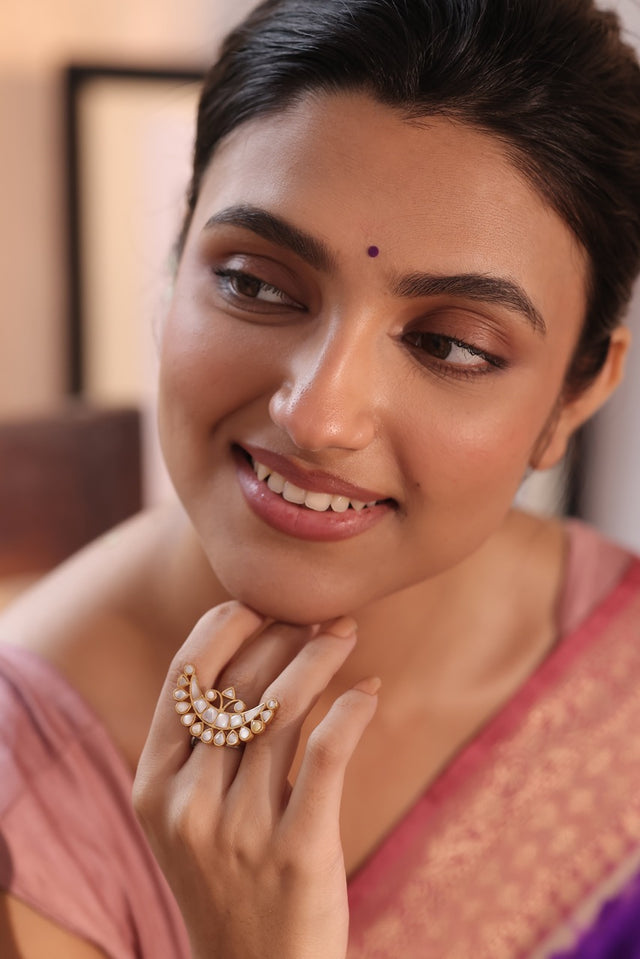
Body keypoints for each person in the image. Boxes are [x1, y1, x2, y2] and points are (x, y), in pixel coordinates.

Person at [2, 0, 640, 955]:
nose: (318, 413)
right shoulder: (25, 809)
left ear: (578, 394)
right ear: (179, 261)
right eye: (255, 283)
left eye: (448, 343)